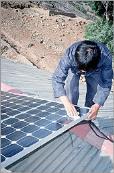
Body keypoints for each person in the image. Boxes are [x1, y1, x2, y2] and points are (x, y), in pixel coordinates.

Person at [52, 40, 113, 120]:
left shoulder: (106, 57)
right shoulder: (70, 54)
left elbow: (106, 82)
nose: (83, 72)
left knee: (94, 92)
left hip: (95, 71)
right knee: (71, 88)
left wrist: (97, 105)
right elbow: (57, 78)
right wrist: (66, 102)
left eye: (84, 70)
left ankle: (88, 114)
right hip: (74, 69)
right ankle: (72, 114)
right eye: (81, 69)